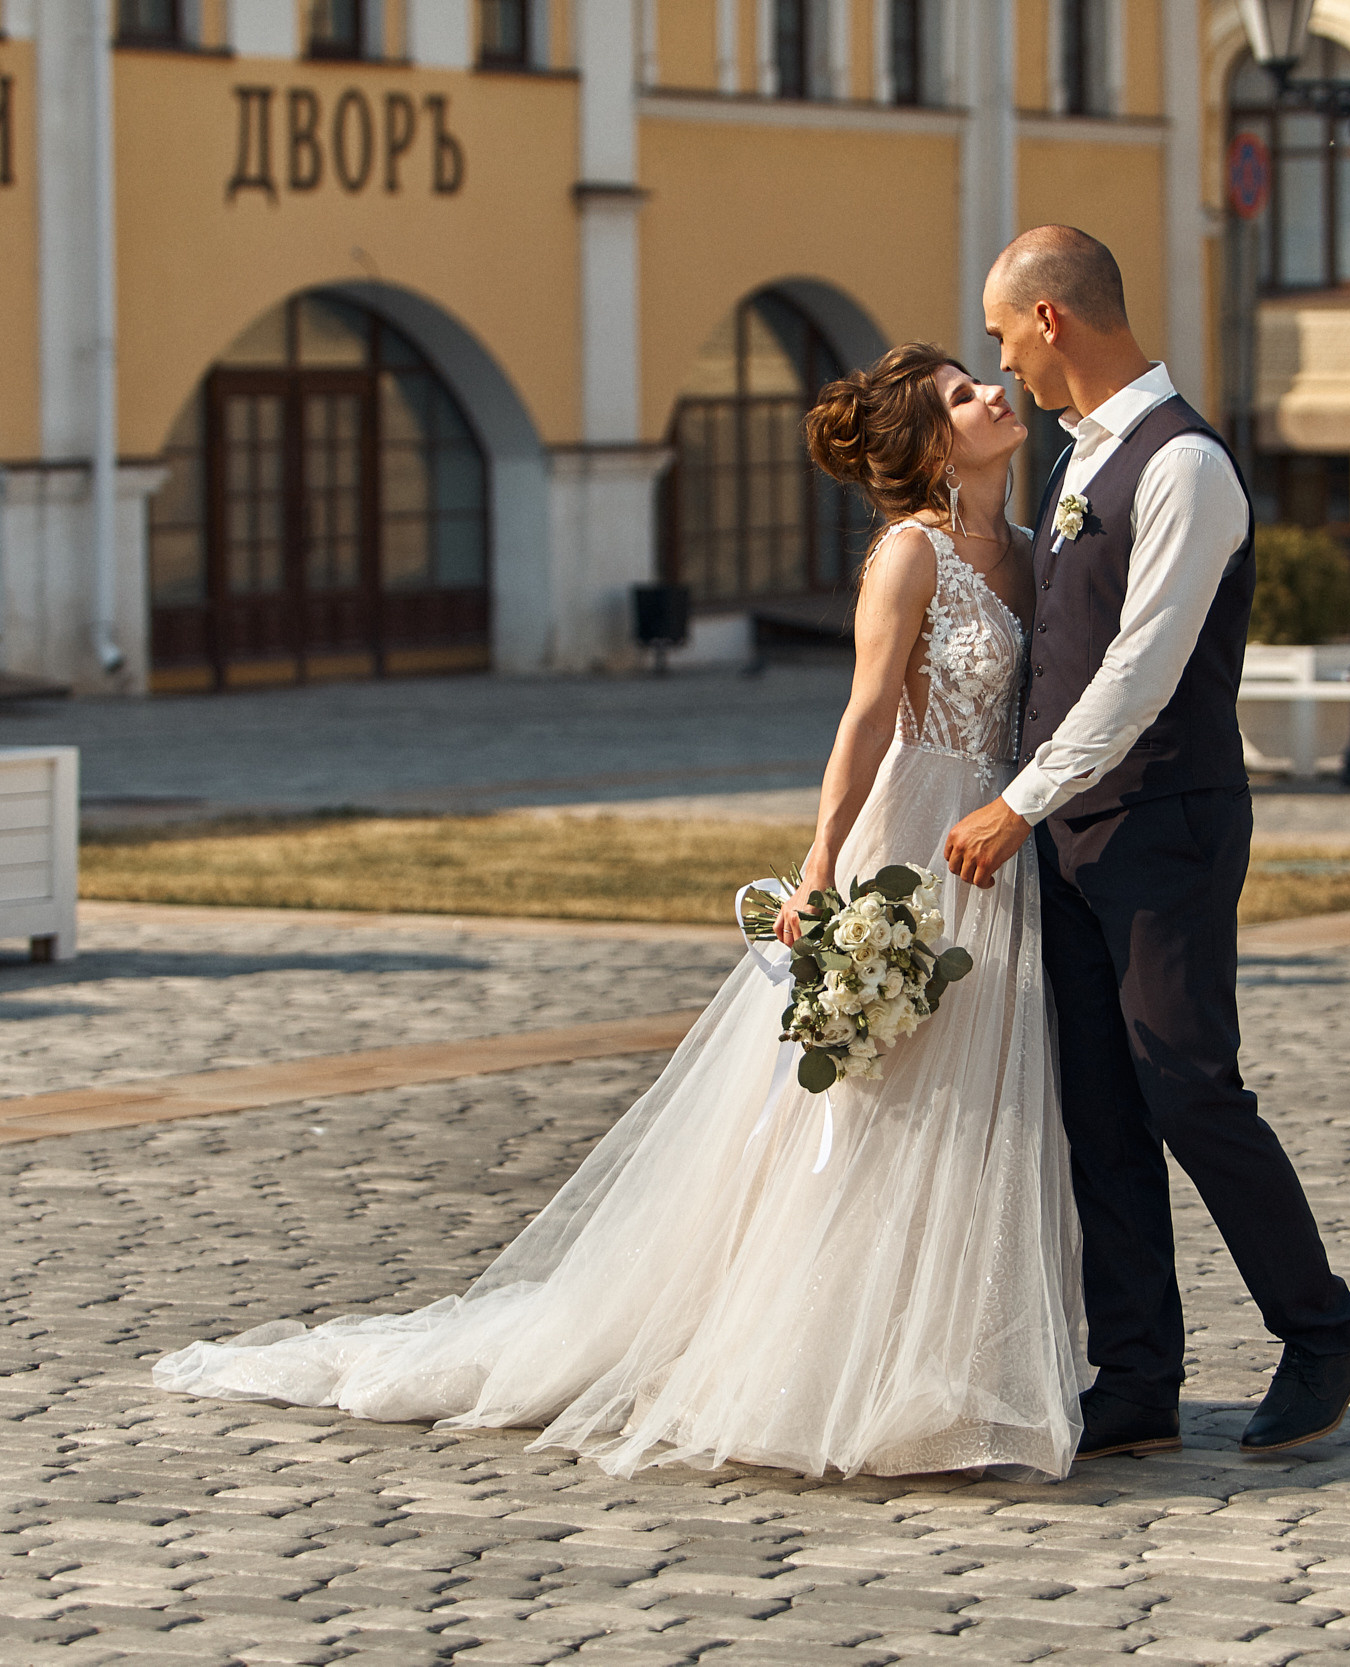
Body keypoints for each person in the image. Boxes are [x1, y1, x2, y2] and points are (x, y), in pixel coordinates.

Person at [154, 344, 1086, 1482]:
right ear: (934, 445)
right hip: (914, 840)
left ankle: (935, 1368)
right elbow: (863, 718)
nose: (992, 393)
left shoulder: (1033, 551)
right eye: (960, 394)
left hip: (999, 849)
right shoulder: (909, 554)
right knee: (875, 1105)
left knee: (974, 1106)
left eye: (982, 380)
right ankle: (811, 1366)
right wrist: (818, 868)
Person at [943, 225, 1350, 1461]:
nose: (1002, 358)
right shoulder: (1082, 455)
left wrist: (1019, 800)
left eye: (1004, 332)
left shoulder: (1183, 463)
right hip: (1073, 826)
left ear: (1052, 320)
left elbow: (1143, 665)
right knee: (1101, 1102)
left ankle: (1321, 1332)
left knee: (1186, 1081)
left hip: (1164, 818)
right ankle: (1135, 1375)